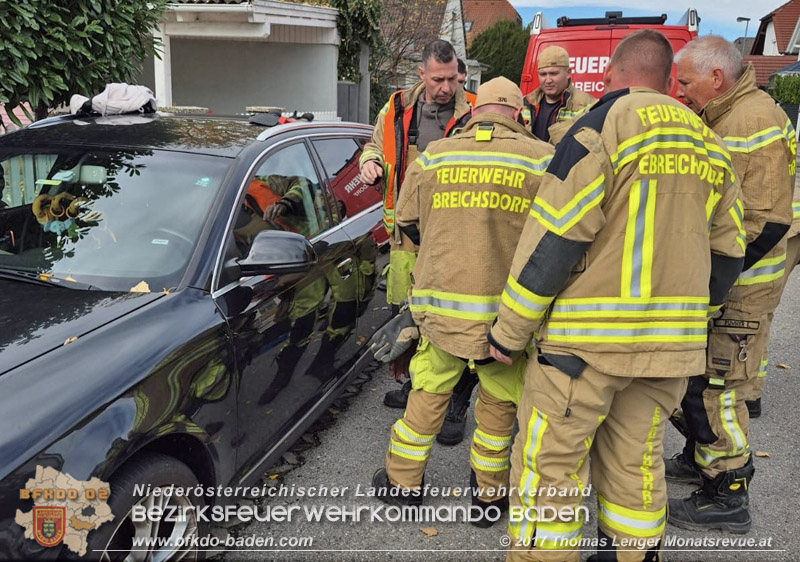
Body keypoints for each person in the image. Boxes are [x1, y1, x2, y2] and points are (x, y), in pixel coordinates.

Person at [487, 30, 746, 561]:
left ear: (611, 76)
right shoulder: (707, 143)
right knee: (637, 464)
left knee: (549, 470)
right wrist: (694, 317)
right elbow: (729, 252)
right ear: (669, 79)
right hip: (667, 354)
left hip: (582, 351)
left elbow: (554, 239)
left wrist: (508, 332)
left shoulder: (601, 126)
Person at [371, 77, 554, 527]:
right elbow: (556, 239)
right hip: (506, 320)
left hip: (440, 314)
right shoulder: (542, 161)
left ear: (474, 111)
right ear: (518, 114)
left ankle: (403, 485)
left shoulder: (435, 156)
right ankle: (488, 498)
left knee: (428, 392)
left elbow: (408, 222)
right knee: (498, 405)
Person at [666, 35, 795, 534]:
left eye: (686, 82)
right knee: (698, 383)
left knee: (717, 389)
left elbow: (767, 221)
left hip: (740, 290)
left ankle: (727, 493)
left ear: (715, 79)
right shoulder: (726, 112)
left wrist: (713, 281)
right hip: (729, 285)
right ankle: (701, 458)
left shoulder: (752, 119)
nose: (680, 92)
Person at [360, 39, 477, 444]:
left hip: (454, 236)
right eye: (439, 79)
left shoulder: (475, 112)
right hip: (405, 238)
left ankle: (455, 406)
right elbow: (373, 144)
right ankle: (416, 389)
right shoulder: (395, 108)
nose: (447, 87)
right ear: (422, 75)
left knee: (453, 324)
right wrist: (371, 161)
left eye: (452, 79)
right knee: (408, 317)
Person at [522, 45, 595, 145]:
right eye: (543, 74)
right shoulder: (525, 103)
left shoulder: (587, 105)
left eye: (553, 73)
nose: (548, 80)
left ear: (568, 73)